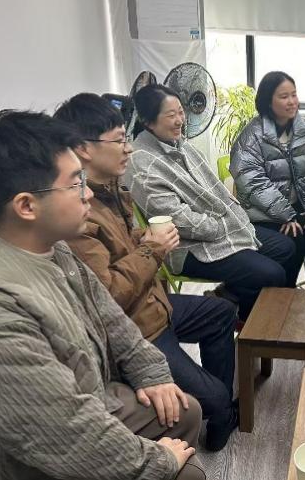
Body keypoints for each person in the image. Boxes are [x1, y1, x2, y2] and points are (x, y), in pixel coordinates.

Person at [0, 111, 204, 480]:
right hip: (28, 456)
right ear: (26, 206)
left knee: (183, 409)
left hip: (87, 392)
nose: (89, 193)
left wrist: (150, 371)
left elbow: (108, 313)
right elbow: (65, 432)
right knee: (188, 472)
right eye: (76, 184)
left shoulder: (46, 240)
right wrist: (159, 462)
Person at [54, 93, 239, 451]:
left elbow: (120, 249)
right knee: (217, 398)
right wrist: (152, 248)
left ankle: (214, 400)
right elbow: (107, 296)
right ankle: (218, 408)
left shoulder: (111, 189)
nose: (129, 148)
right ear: (84, 149)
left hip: (154, 304)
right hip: (138, 329)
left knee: (222, 312)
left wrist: (144, 239)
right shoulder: (77, 213)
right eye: (120, 140)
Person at [125, 84, 298, 320]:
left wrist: (230, 217)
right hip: (187, 246)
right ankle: (247, 323)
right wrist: (221, 224)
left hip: (219, 225)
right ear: (148, 122)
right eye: (171, 115)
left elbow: (215, 190)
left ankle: (231, 296)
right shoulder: (141, 162)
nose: (180, 120)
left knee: (286, 248)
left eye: (180, 112)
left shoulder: (180, 143)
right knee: (271, 274)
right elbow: (177, 219)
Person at [230, 71, 305, 290]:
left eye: (294, 94)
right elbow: (252, 182)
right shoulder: (252, 135)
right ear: (268, 101)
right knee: (295, 237)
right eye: (284, 96)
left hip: (297, 206)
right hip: (261, 212)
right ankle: (284, 293)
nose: (292, 101)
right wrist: (286, 214)